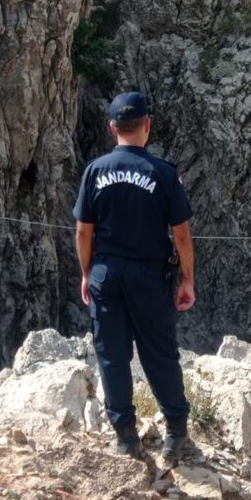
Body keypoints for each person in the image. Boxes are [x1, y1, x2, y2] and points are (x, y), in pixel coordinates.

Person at [74, 91, 196, 460]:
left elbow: (83, 231)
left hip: (106, 273)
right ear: (148, 125)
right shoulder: (162, 173)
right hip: (148, 274)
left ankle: (125, 435)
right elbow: (181, 235)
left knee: (111, 354)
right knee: (159, 353)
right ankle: (176, 430)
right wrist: (187, 279)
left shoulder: (95, 171)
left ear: (113, 128)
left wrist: (86, 273)